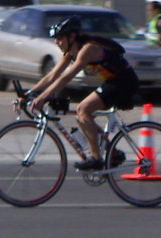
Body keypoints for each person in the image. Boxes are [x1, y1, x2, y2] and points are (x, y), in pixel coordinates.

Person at [25, 16, 139, 170]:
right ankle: (114, 153)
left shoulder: (88, 49)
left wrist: (43, 97)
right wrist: (30, 93)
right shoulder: (70, 52)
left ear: (72, 36)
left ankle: (96, 159)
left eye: (59, 38)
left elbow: (66, 77)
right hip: (112, 82)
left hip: (124, 81)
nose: (56, 42)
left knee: (83, 109)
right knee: (82, 116)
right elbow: (52, 76)